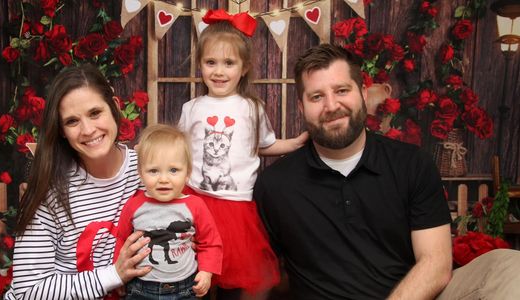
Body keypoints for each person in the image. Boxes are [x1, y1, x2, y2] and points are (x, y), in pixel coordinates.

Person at [253, 44, 453, 299]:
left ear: (363, 93)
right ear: (302, 108)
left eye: (342, 90)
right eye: (316, 97)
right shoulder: (274, 185)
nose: (331, 105)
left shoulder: (412, 165)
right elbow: (259, 275)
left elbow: (436, 263)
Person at [177, 9, 308, 299]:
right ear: (200, 64)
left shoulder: (252, 108)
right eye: (210, 62)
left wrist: (296, 143)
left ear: (244, 66)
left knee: (231, 280)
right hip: (194, 202)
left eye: (228, 63)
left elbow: (264, 145)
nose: (219, 71)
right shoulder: (192, 108)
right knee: (191, 274)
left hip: (235, 209)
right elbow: (178, 150)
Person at [5, 64, 152, 300]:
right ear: (62, 130)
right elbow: (27, 290)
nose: (88, 129)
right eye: (72, 121)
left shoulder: (148, 171)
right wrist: (114, 274)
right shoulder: (50, 188)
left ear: (114, 106)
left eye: (95, 113)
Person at [116, 124, 223, 299]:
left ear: (187, 172)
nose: (163, 179)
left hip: (185, 289)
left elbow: (210, 242)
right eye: (153, 171)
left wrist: (206, 272)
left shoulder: (195, 205)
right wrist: (119, 276)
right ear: (141, 174)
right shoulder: (134, 205)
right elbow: (121, 241)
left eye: (173, 170)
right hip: (141, 289)